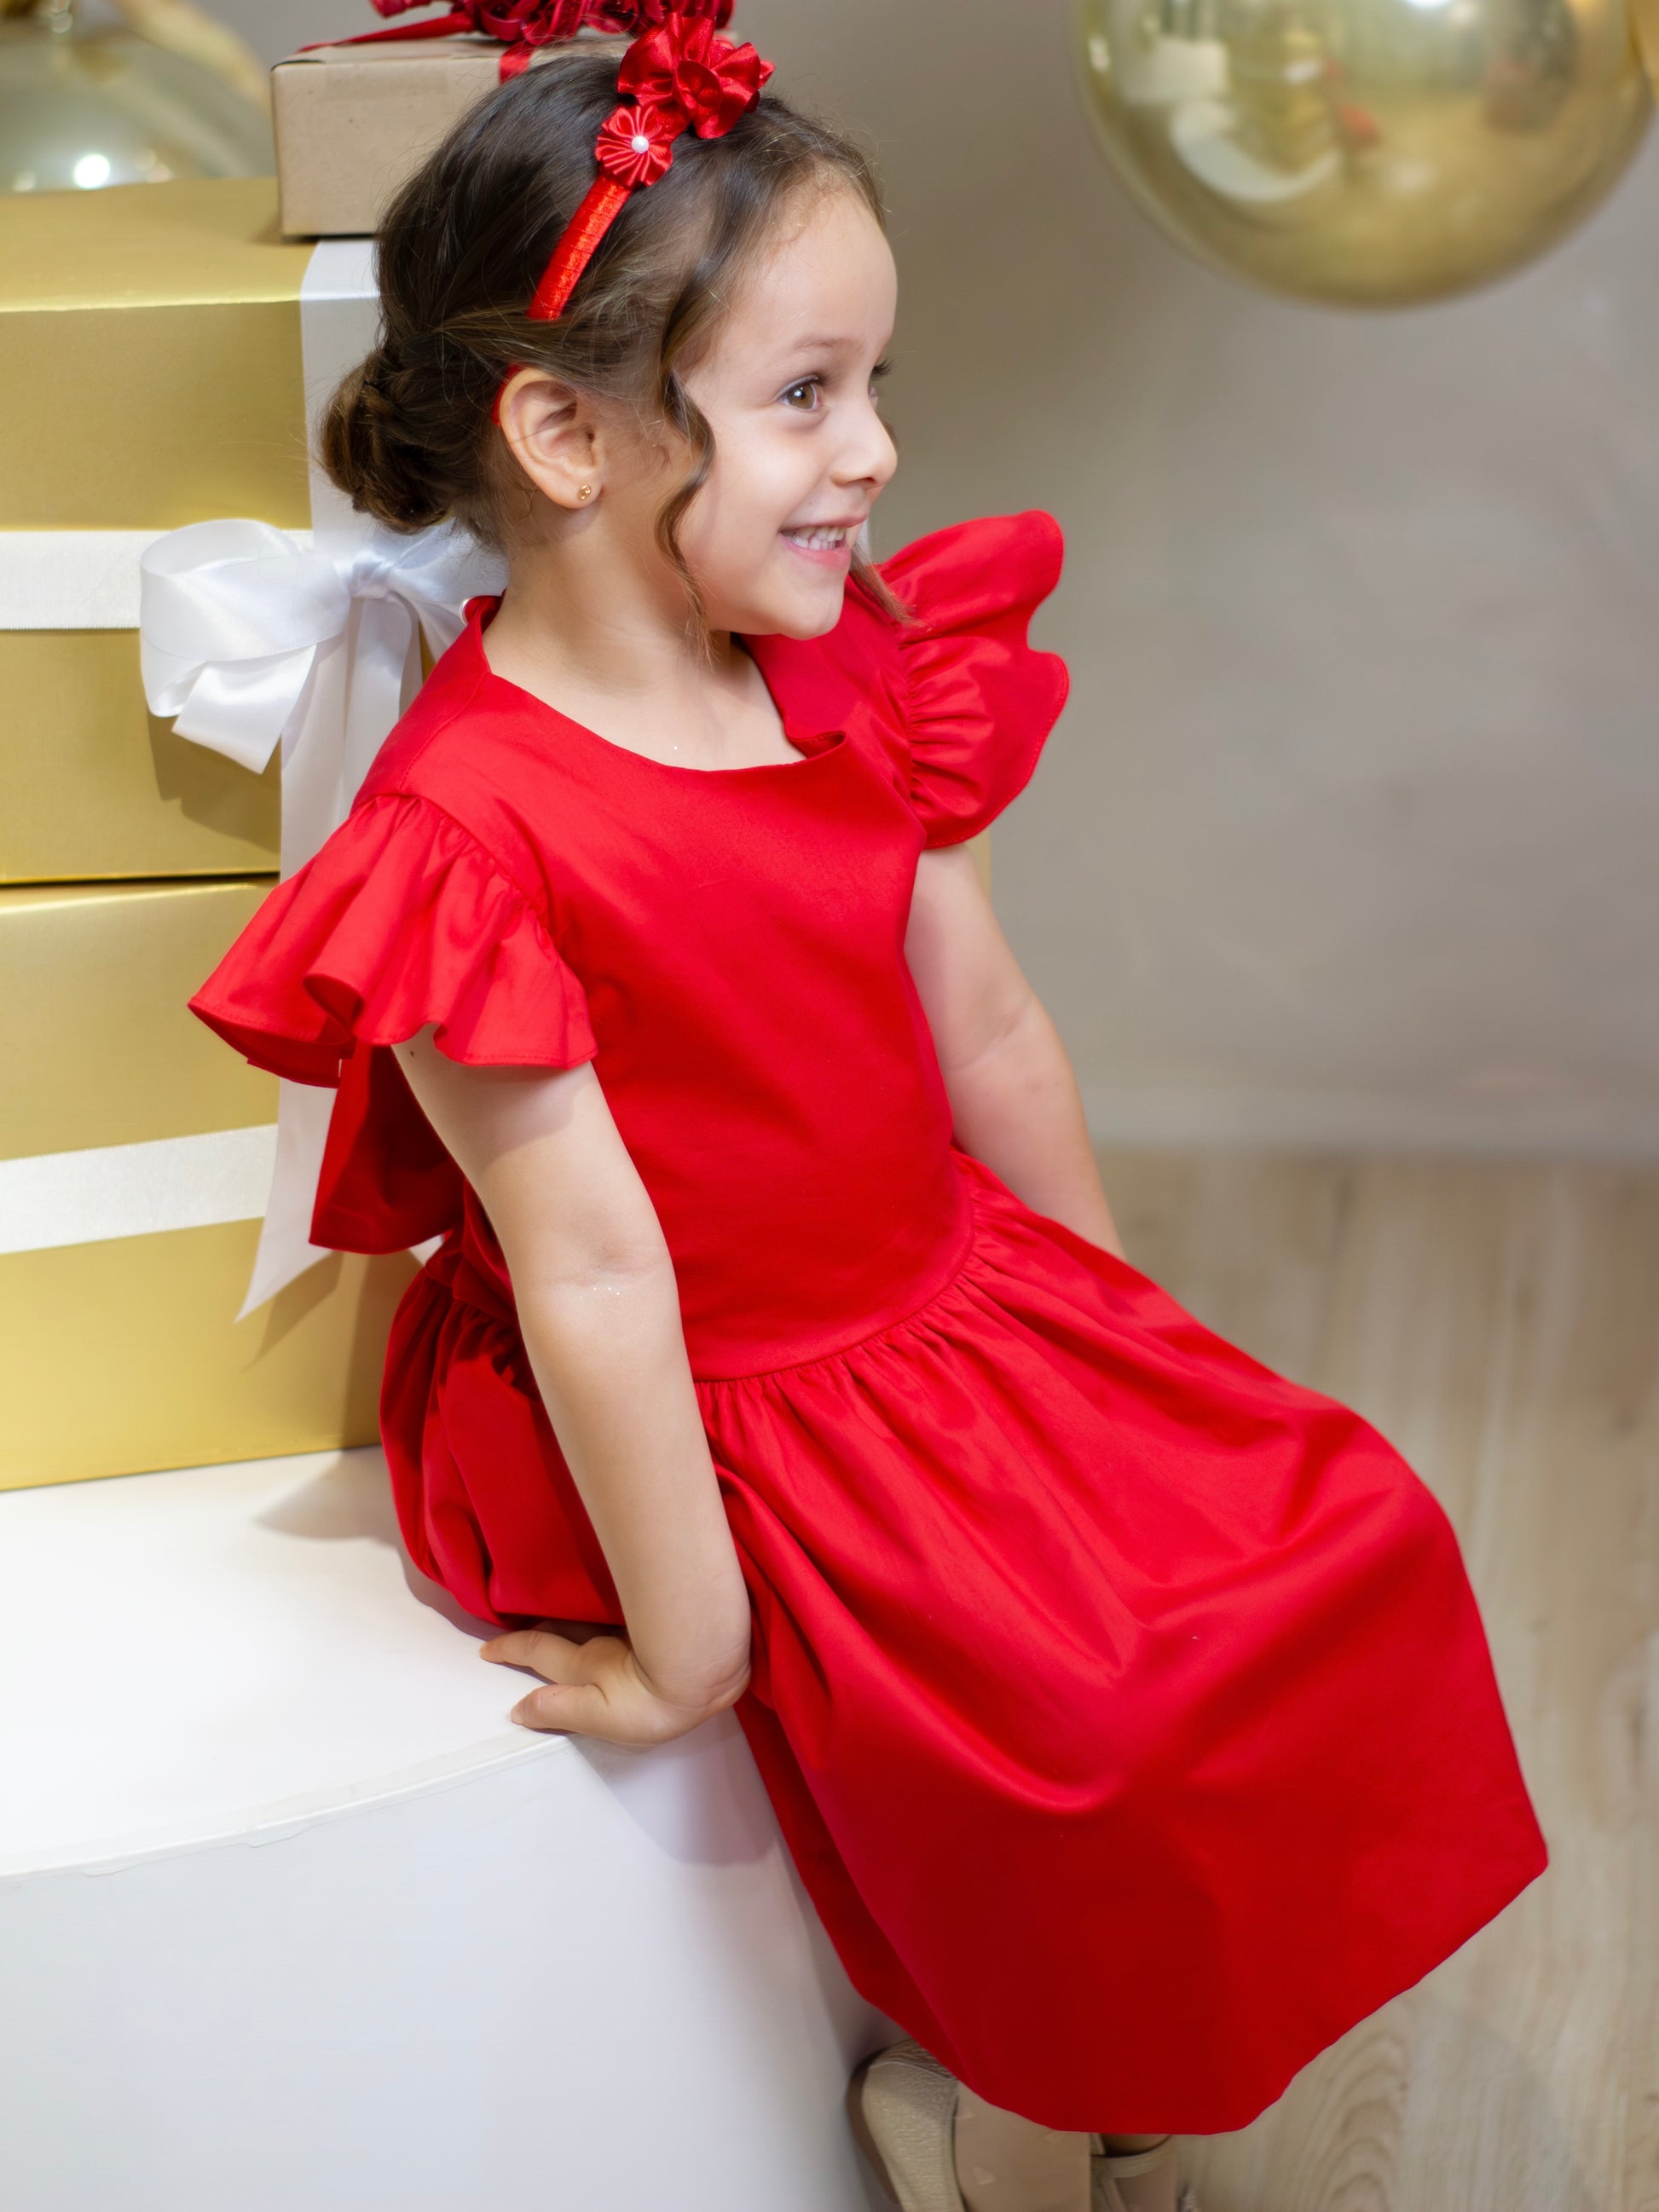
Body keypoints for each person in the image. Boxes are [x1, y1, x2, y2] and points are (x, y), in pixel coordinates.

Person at [190, 15, 1546, 2211]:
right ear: (564, 432)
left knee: (1330, 1537)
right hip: (694, 1394)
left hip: (928, 1293)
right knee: (1075, 1722)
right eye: (807, 396)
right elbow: (595, 1271)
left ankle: (1121, 2049)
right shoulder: (472, 840)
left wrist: (1119, 1354)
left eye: (875, 384)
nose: (879, 452)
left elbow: (985, 1033)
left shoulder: (834, 661)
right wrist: (690, 1644)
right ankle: (1001, 2108)